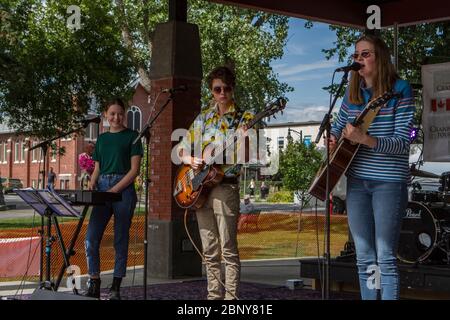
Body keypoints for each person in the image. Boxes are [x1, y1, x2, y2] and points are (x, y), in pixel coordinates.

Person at [328, 34, 415, 300]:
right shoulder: (352, 93)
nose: (360, 60)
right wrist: (332, 138)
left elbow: (402, 143)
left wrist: (365, 139)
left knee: (385, 256)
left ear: (381, 58)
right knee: (364, 256)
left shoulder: (400, 89)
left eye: (366, 54)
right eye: (356, 56)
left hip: (388, 182)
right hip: (357, 181)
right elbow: (338, 125)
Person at [177, 66, 254, 300]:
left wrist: (245, 139)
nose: (222, 93)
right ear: (211, 91)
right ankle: (213, 298)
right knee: (209, 251)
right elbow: (181, 149)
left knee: (228, 249)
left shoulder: (244, 118)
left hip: (225, 186)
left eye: (226, 88)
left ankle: (231, 300)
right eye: (217, 89)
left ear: (233, 89)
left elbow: (247, 158)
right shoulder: (204, 117)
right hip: (200, 188)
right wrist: (191, 160)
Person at [85, 98, 143, 300]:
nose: (116, 117)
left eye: (120, 113)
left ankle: (116, 286)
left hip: (124, 189)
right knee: (91, 238)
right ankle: (94, 281)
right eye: (112, 114)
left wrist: (115, 190)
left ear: (124, 115)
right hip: (102, 187)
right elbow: (98, 167)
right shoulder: (102, 139)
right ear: (105, 115)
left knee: (120, 239)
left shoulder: (132, 136)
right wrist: (92, 181)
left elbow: (134, 170)